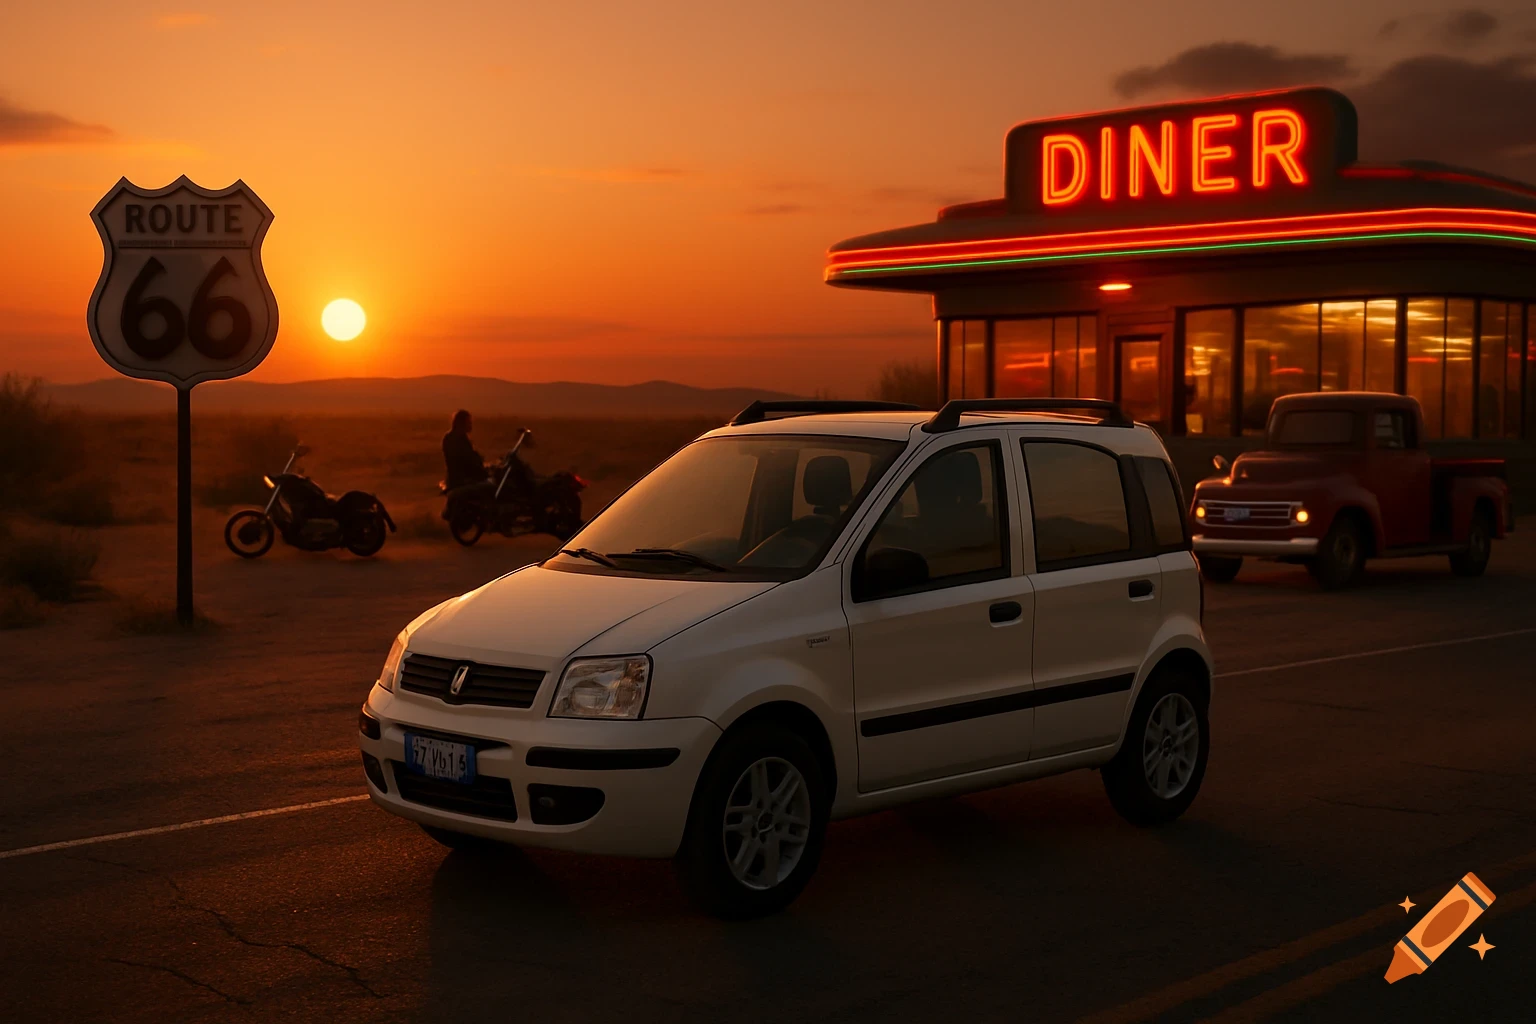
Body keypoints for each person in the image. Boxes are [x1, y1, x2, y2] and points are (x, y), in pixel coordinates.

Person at [442, 410, 487, 491]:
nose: (470, 425)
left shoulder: (455, 437)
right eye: (468, 422)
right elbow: (466, 460)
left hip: (459, 477)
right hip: (461, 480)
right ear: (461, 423)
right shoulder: (457, 438)